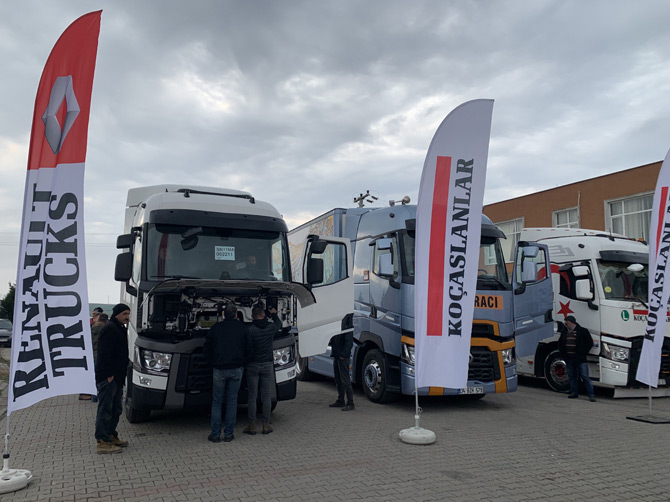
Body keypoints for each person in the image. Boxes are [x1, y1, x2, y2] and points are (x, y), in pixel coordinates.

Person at [204, 304, 250, 443]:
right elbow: (250, 349)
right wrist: (243, 362)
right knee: (232, 401)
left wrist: (212, 362)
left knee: (217, 401)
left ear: (224, 315)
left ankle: (215, 435)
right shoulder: (243, 328)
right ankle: (229, 434)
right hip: (236, 369)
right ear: (236, 314)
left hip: (219, 369)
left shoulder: (215, 329)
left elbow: (207, 349)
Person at [94, 303, 131, 454]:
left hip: (118, 377)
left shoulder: (120, 329)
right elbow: (104, 354)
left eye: (128, 314)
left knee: (116, 409)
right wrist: (108, 375)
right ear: (116, 314)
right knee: (105, 409)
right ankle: (102, 441)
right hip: (109, 377)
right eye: (124, 314)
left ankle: (111, 435)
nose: (127, 317)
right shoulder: (109, 329)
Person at [244, 303, 281, 435]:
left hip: (253, 364)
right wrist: (274, 314)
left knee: (252, 396)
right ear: (264, 315)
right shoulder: (270, 327)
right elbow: (279, 325)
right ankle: (266, 424)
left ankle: (252, 425)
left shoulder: (250, 330)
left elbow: (246, 346)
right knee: (266, 395)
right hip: (267, 364)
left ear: (253, 316)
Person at [558, 315, 596, 402]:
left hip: (580, 358)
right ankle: (574, 392)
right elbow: (560, 342)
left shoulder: (582, 331)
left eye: (566, 322)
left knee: (585, 376)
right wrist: (562, 353)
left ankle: (591, 395)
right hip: (569, 357)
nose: (565, 324)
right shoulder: (565, 331)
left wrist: (583, 352)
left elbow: (589, 342)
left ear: (571, 322)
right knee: (572, 376)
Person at [80, 313, 109, 402]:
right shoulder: (105, 329)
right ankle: (97, 397)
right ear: (107, 320)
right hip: (100, 356)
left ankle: (93, 397)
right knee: (100, 377)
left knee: (93, 377)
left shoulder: (92, 328)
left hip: (92, 355)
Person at [329, 331, 355, 411]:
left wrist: (343, 354)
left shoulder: (346, 327)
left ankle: (350, 403)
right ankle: (341, 400)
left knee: (345, 380)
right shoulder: (338, 327)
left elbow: (349, 342)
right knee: (338, 379)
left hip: (342, 357)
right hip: (337, 355)